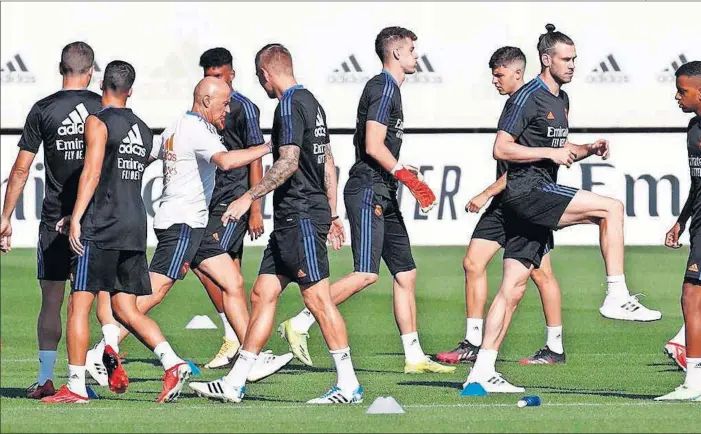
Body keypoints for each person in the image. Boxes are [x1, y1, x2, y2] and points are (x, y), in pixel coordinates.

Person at [464, 24, 660, 393]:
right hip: (527, 191)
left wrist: (587, 148)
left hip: (536, 194)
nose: (572, 66)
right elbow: (501, 149)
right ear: (546, 59)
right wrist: (549, 153)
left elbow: (558, 145)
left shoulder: (561, 99)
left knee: (514, 288)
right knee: (612, 208)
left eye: (575, 59)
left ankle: (481, 373)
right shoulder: (526, 96)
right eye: (566, 59)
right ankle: (616, 294)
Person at [85, 76, 290, 385]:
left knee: (232, 281)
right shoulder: (193, 127)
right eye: (223, 104)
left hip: (195, 224)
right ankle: (102, 350)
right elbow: (226, 162)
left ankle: (252, 357)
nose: (228, 109)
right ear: (205, 100)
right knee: (150, 294)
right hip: (182, 225)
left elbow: (149, 156)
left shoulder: (181, 125)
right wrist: (267, 147)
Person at [189, 43, 364, 404]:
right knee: (262, 293)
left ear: (267, 74)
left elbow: (288, 162)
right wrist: (330, 213)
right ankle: (236, 382)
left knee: (317, 298)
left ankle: (349, 385)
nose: (262, 85)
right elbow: (328, 159)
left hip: (299, 215)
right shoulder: (311, 102)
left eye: (260, 78)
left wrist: (247, 197)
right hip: (295, 217)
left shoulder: (287, 105)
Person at [278, 26, 453, 375]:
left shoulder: (390, 90)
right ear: (397, 54)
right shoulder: (384, 87)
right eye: (413, 50)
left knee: (406, 273)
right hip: (368, 189)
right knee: (366, 274)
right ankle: (299, 322)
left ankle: (414, 356)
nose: (417, 55)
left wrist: (402, 171)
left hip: (383, 188)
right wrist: (404, 174)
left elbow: (379, 148)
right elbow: (373, 145)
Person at [42, 61, 190, 404]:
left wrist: (75, 216)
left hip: (101, 225)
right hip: (134, 224)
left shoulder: (97, 121)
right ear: (131, 90)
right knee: (125, 308)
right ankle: (173, 362)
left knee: (79, 304)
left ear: (101, 85)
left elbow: (92, 173)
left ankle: (76, 386)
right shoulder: (142, 128)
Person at [436, 46, 566, 366]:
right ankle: (472, 341)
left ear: (517, 73)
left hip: (526, 200)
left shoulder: (527, 102)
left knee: (541, 275)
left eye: (499, 75)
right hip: (505, 203)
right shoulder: (523, 102)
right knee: (473, 263)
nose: (495, 81)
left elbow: (526, 168)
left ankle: (555, 347)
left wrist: (485, 193)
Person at [0, 42, 102, 399]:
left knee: (51, 300)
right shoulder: (103, 107)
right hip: (94, 221)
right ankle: (96, 365)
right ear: (92, 71)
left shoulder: (43, 109)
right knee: (94, 299)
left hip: (54, 221)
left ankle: (46, 378)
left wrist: (5, 218)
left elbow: (20, 169)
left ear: (61, 68)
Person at [196, 47, 267, 369]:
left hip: (234, 198)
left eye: (219, 76)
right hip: (212, 196)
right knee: (229, 270)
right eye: (209, 77)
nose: (214, 82)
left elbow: (256, 155)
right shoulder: (205, 107)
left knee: (204, 261)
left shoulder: (245, 109)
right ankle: (247, 342)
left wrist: (254, 205)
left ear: (231, 75)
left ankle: (235, 336)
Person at [656, 60, 701, 401]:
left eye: (682, 91)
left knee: (692, 295)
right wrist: (681, 220)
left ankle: (694, 383)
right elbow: (696, 184)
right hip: (698, 225)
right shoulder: (693, 129)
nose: (677, 96)